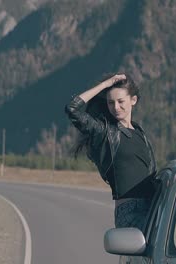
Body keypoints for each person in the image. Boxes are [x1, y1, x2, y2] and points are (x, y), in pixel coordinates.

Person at [65, 73, 157, 230]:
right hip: (130, 211)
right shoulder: (104, 132)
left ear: (133, 100)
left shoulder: (139, 132)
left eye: (121, 101)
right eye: (110, 102)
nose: (115, 107)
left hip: (154, 207)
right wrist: (104, 85)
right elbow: (72, 108)